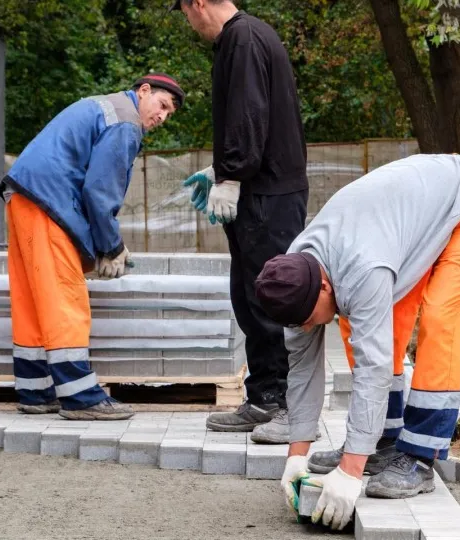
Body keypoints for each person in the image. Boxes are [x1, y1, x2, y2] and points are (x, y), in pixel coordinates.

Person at [254, 153, 460, 529]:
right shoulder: (290, 278)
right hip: (409, 223)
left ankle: (421, 457)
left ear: (325, 284)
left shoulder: (362, 269)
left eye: (310, 319)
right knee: (363, 326)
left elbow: (374, 368)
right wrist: (297, 454)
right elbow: (303, 372)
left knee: (439, 316)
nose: (308, 328)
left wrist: (350, 472)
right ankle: (383, 442)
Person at [0, 74, 185, 420]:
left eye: (168, 114)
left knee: (32, 298)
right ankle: (80, 396)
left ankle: (35, 391)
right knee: (64, 295)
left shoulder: (104, 107)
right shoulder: (125, 122)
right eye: (162, 105)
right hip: (47, 201)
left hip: (24, 195)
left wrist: (97, 245)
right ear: (143, 91)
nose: (162, 117)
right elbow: (99, 191)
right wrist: (112, 247)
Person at [172, 0, 310, 439]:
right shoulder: (250, 36)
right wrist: (222, 172)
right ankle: (265, 397)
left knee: (274, 299)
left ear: (196, 4)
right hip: (264, 188)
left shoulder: (242, 38)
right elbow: (260, 120)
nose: (189, 23)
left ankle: (288, 407)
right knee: (252, 298)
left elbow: (249, 113)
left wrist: (231, 173)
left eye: (184, 12)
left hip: (266, 195)